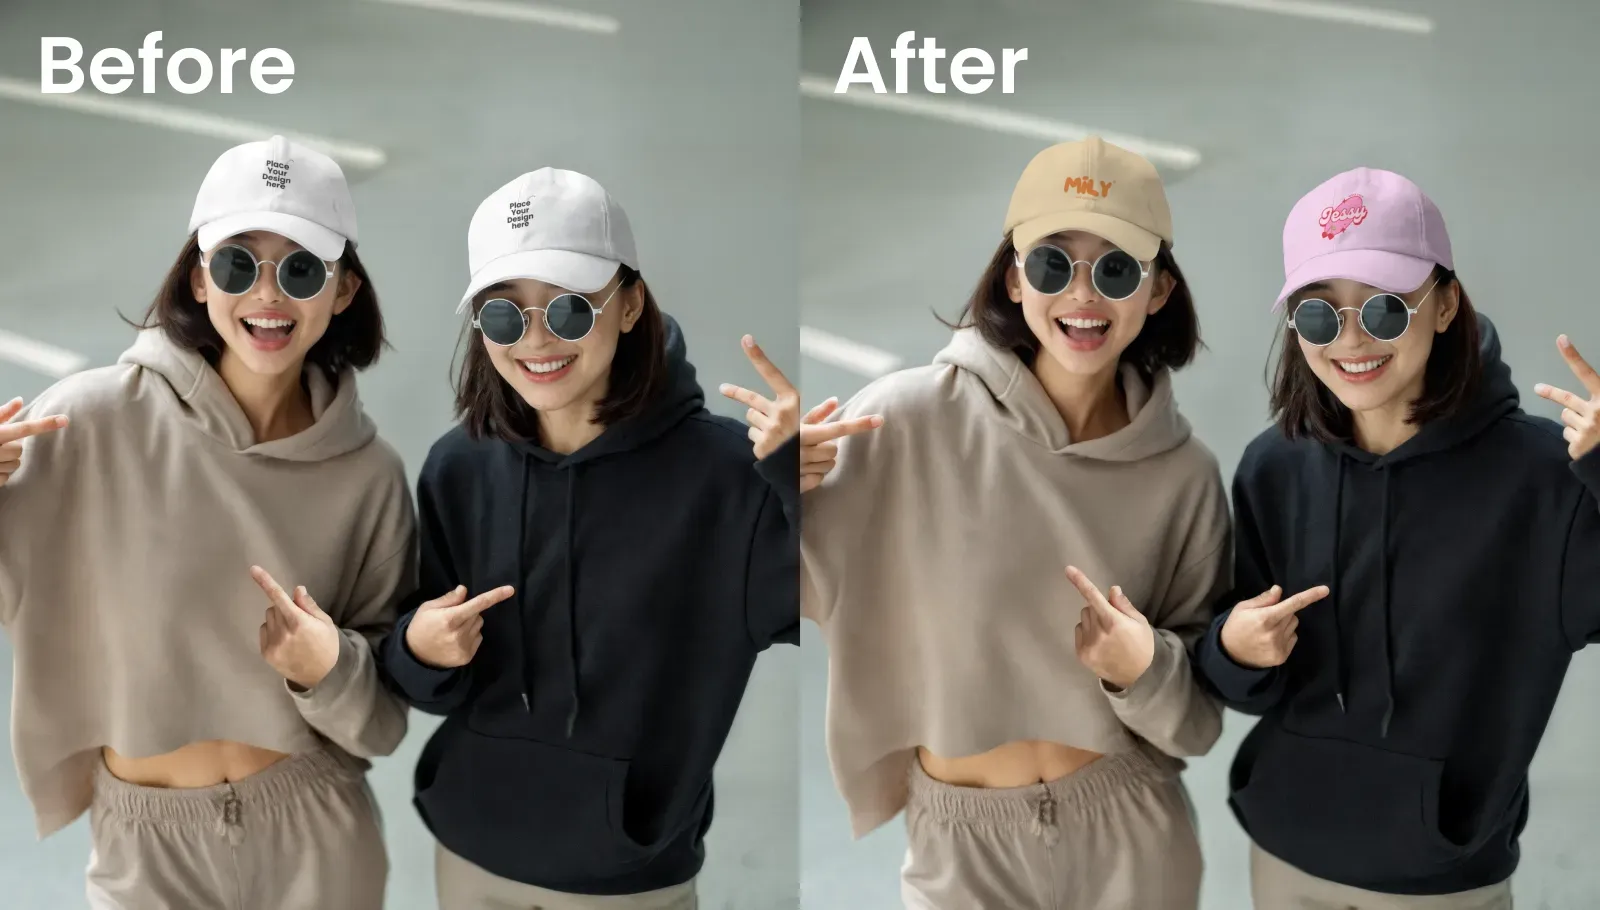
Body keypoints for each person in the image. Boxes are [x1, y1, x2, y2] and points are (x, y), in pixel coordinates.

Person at [790, 136, 1230, 909]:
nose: (1083, 296)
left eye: (1118, 269)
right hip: (962, 856)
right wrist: (765, 493)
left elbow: (1194, 728)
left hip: (1135, 839)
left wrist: (1140, 668)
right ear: (1013, 277)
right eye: (1053, 264)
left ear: (1158, 290)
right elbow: (751, 592)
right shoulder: (903, 420)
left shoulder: (1185, 476)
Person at [0, 135, 414, 909]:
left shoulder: (370, 476)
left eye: (301, 269)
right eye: (235, 264)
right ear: (197, 276)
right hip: (147, 849)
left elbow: (382, 724)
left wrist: (322, 668)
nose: (267, 295)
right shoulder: (85, 423)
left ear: (344, 289)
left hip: (317, 832)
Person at [377, 167, 799, 910]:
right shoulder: (459, 466)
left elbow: (856, 603)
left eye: (569, 311)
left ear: (630, 304)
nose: (536, 340)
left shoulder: (730, 478)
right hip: (471, 859)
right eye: (503, 317)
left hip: (628, 882)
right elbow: (420, 678)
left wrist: (801, 486)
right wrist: (418, 647)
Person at [1194, 167, 1600, 909]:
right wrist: (1233, 650)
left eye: (1384, 311)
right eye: (1318, 317)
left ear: (1445, 304)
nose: (1350, 341)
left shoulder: (1545, 480)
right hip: (1286, 860)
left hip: (1442, 881)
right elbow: (1237, 682)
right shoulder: (1274, 467)